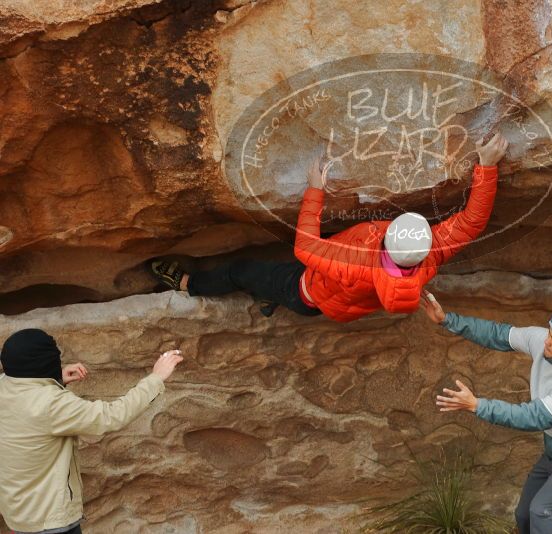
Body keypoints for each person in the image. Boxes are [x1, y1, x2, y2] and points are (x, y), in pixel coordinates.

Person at [150, 133, 509, 322]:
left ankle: (187, 284)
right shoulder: (429, 255)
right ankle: (267, 298)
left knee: (244, 270)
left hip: (305, 291)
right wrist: (486, 167)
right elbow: (471, 222)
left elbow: (305, 247)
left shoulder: (354, 262)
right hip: (336, 297)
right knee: (271, 278)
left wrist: (315, 190)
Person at [420, 291, 552, 534]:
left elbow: (530, 417)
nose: (546, 342)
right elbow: (498, 335)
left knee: (541, 513)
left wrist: (477, 405)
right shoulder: (543, 341)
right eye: (549, 333)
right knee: (524, 515)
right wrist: (447, 320)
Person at [0, 329, 183, 534]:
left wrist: (54, 380)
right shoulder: (53, 404)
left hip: (18, 515)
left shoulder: (4, 385)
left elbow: (30, 399)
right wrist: (156, 378)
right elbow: (111, 415)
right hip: (50, 521)